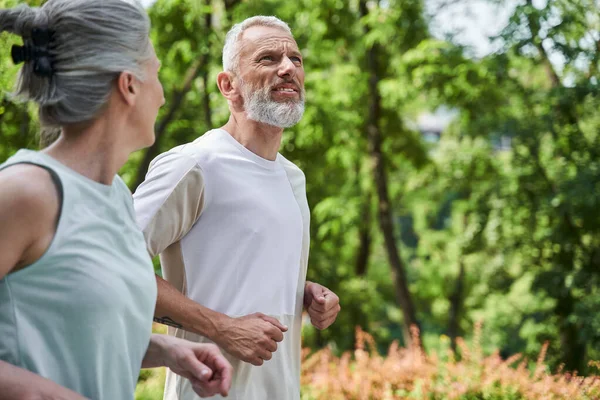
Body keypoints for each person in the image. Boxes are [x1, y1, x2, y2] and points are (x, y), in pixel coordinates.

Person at [0, 1, 232, 399]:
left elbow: (73, 331)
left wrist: (167, 349)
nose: (161, 96)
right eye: (156, 74)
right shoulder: (25, 193)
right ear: (128, 85)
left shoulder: (118, 197)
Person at [133, 15, 341, 400]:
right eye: (267, 58)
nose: (287, 68)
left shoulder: (293, 178)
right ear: (229, 85)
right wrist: (221, 327)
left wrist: (305, 293)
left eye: (295, 59)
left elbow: (244, 274)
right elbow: (113, 266)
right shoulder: (194, 164)